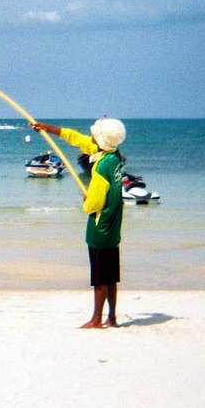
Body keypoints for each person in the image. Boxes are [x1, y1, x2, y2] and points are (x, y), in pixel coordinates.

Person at [31, 117, 126, 328]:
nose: (91, 137)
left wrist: (87, 200)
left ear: (101, 140)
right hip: (113, 228)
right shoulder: (114, 156)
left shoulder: (101, 166)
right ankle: (112, 317)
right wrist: (48, 129)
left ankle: (96, 320)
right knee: (111, 277)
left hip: (99, 229)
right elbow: (77, 138)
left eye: (95, 135)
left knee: (100, 278)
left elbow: (93, 204)